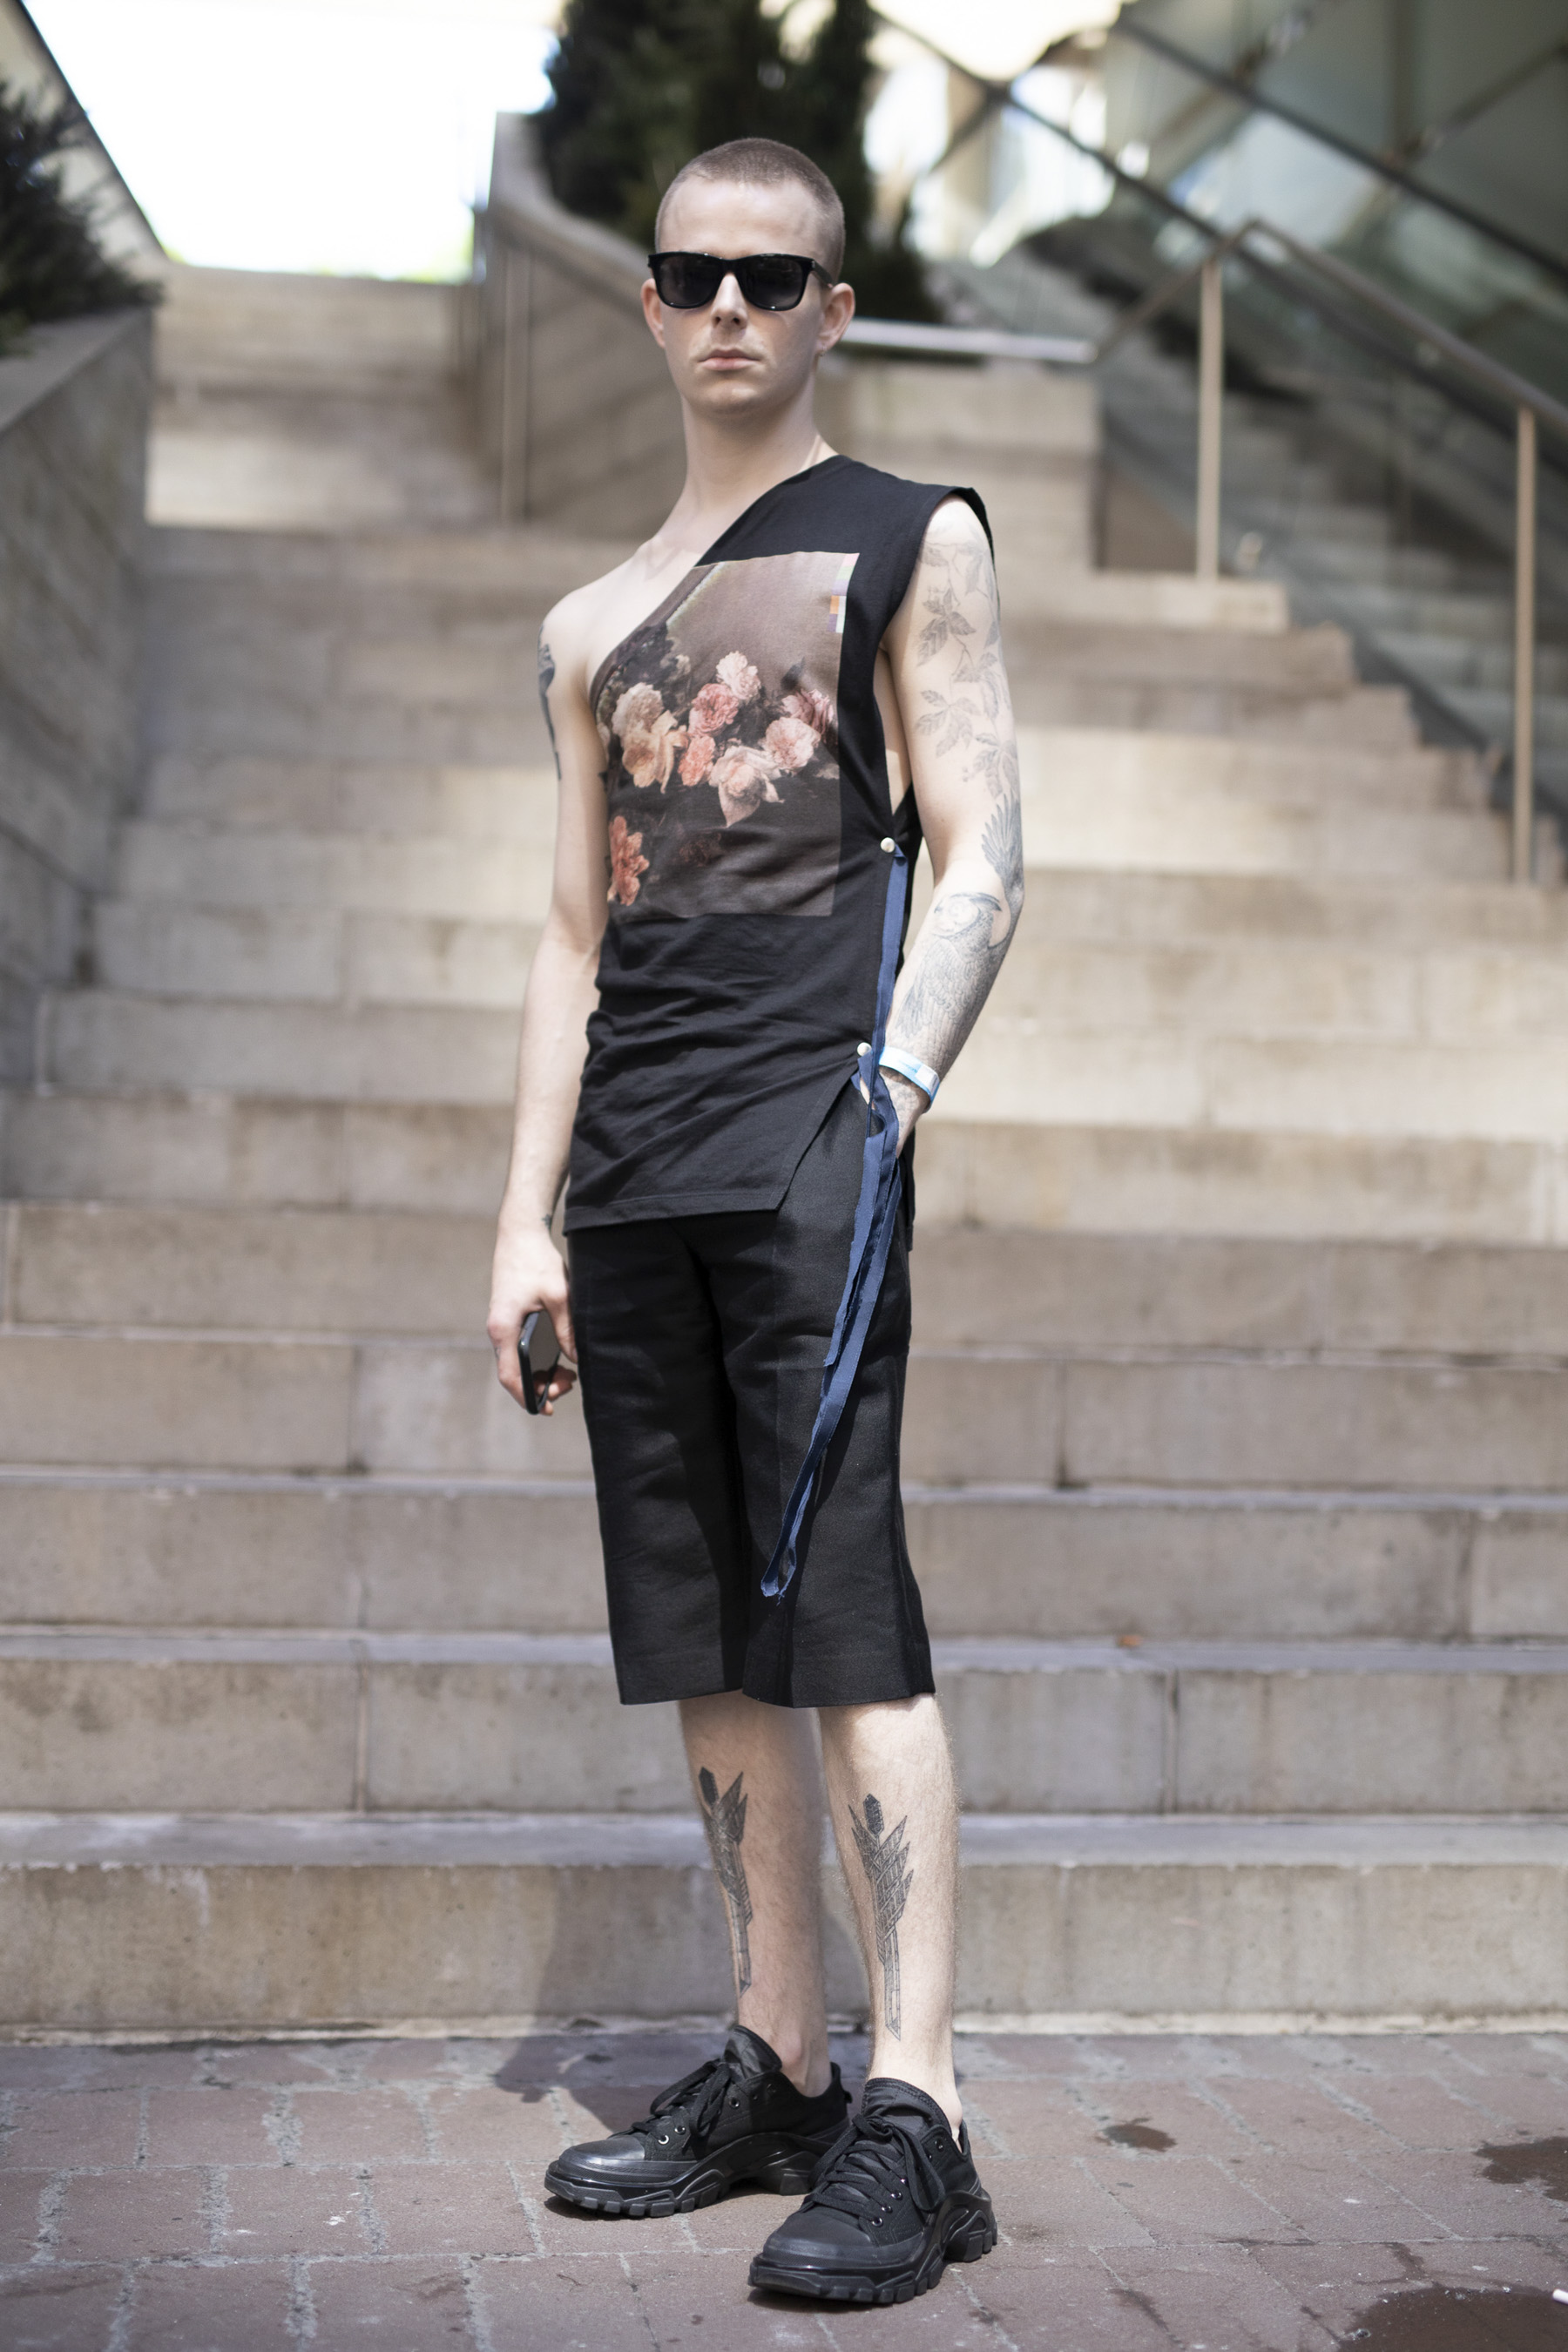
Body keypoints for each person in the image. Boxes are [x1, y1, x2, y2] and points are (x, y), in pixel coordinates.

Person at [486, 135, 1022, 2308]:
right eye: (694, 274)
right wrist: (522, 1221)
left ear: (833, 311)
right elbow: (568, 939)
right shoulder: (586, 627)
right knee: (706, 1635)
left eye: (773, 279)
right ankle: (779, 2061)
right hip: (633, 1174)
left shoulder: (910, 535)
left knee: (846, 1616)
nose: (730, 307)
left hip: (814, 1149)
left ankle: (920, 2110)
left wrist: (887, 1097)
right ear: (647, 302)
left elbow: (984, 851)